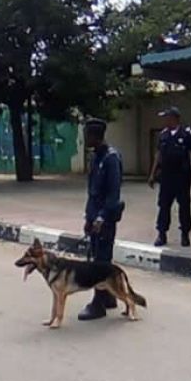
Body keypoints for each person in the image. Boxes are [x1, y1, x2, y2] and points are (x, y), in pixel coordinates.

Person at [78, 118, 124, 321]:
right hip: (94, 214)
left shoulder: (111, 158)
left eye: (87, 135)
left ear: (96, 135)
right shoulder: (96, 157)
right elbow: (92, 192)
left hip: (105, 219)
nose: (85, 139)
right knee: (98, 256)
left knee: (100, 262)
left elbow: (113, 194)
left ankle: (98, 304)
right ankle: (108, 297)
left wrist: (100, 218)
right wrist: (88, 217)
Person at [148, 107, 191, 247]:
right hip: (166, 176)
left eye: (167, 117)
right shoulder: (164, 135)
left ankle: (185, 234)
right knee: (163, 206)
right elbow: (158, 154)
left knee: (184, 206)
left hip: (182, 176)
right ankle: (162, 234)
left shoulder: (187, 134)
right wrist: (152, 174)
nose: (165, 120)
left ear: (174, 118)